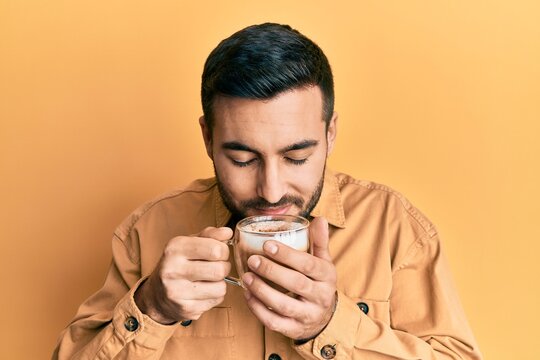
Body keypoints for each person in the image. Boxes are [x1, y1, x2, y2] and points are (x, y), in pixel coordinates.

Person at [53, 23, 482, 360]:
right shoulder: (148, 231)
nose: (271, 191)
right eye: (243, 159)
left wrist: (330, 325)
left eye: (297, 157)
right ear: (207, 138)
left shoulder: (394, 228)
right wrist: (152, 309)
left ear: (330, 134)